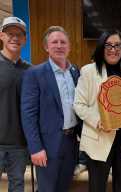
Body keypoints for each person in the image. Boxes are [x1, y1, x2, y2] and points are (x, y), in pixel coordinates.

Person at [74, 30, 121, 192]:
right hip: (98, 138)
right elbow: (79, 105)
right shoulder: (88, 71)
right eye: (108, 45)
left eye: (117, 45)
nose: (113, 49)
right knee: (97, 187)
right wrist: (98, 121)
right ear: (101, 47)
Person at [21, 26, 81, 192]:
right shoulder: (34, 73)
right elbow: (28, 115)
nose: (59, 46)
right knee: (47, 189)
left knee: (64, 187)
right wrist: (35, 148)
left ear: (69, 46)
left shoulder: (75, 72)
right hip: (46, 146)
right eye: (54, 42)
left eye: (63, 42)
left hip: (71, 143)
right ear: (46, 47)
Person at [0, 16, 29, 192]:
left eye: (19, 34)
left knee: (17, 187)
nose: (15, 38)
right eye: (10, 33)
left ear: (25, 40)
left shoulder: (31, 71)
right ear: (1, 36)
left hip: (19, 146)